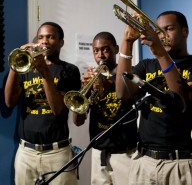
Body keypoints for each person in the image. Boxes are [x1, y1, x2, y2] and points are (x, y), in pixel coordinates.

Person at [115, 11, 192, 184]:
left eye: (169, 28)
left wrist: (161, 54)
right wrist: (127, 42)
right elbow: (122, 93)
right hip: (144, 160)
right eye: (159, 31)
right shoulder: (147, 65)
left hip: (181, 162)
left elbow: (183, 102)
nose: (163, 35)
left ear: (185, 31)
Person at [5, 22, 81, 185]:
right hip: (26, 153)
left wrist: (44, 71)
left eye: (50, 37)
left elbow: (59, 111)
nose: (44, 41)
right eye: (41, 37)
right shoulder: (26, 69)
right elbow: (9, 102)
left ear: (61, 42)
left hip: (57, 154)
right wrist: (15, 63)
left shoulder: (69, 70)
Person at [73, 32, 137, 185]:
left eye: (105, 49)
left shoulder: (129, 73)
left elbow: (133, 97)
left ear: (116, 49)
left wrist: (108, 84)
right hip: (98, 152)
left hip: (125, 152)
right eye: (96, 51)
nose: (100, 55)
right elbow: (78, 121)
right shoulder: (91, 78)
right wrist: (83, 89)